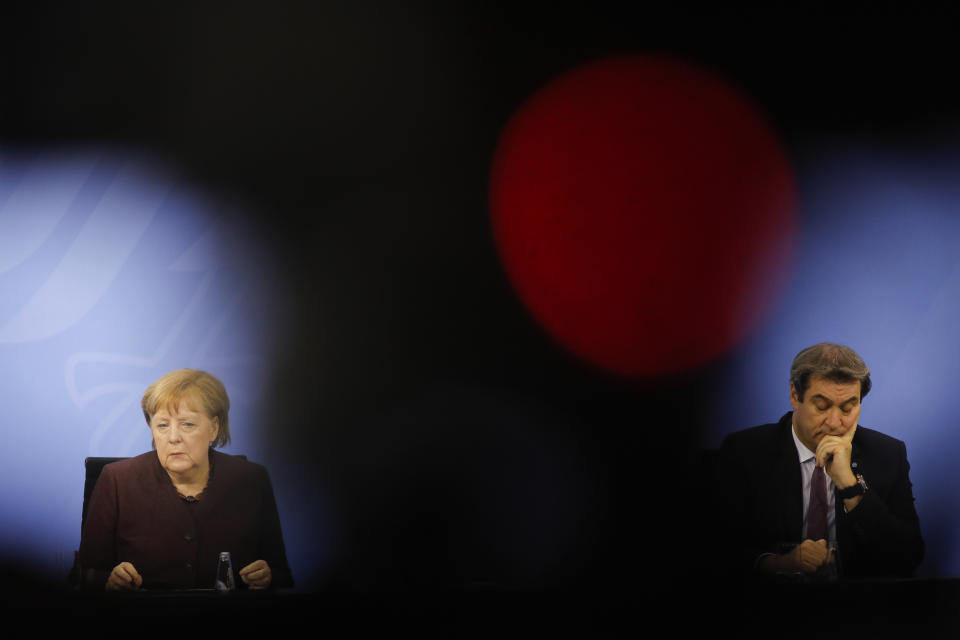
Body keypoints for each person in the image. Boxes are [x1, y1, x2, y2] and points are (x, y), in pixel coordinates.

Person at [717, 343, 923, 579]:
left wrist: (850, 486)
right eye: (822, 406)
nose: (834, 423)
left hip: (858, 606)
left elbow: (909, 556)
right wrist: (779, 563)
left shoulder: (887, 454)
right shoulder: (745, 452)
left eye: (847, 408)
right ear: (795, 395)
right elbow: (719, 550)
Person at [78, 369, 294, 590]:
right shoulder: (117, 480)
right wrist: (109, 580)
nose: (173, 437)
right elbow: (82, 575)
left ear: (213, 428)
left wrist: (268, 577)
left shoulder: (251, 480)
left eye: (187, 424)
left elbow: (282, 574)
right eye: (162, 425)